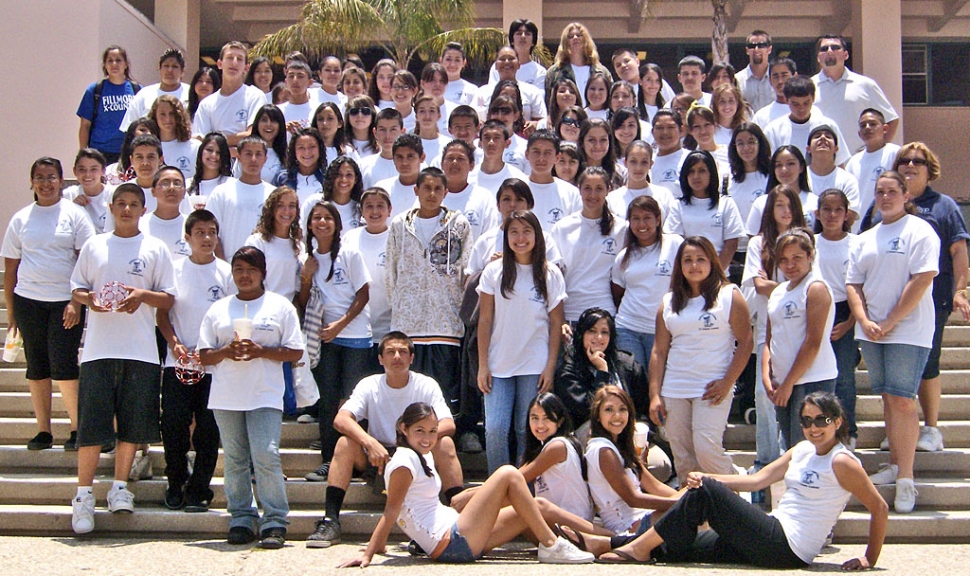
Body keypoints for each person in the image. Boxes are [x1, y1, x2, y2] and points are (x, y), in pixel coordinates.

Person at [585, 393, 888, 571]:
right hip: (772, 530)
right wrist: (710, 475)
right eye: (807, 421)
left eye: (822, 420)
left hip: (788, 547)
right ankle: (610, 543)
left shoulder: (842, 461)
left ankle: (635, 549)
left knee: (706, 493)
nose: (813, 428)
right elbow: (757, 480)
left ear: (837, 422)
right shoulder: (803, 449)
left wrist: (868, 559)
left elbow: (879, 506)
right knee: (690, 546)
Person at [339, 402, 594, 566]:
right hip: (451, 542)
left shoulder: (419, 455)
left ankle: (608, 541)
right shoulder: (404, 461)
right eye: (420, 431)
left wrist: (383, 547)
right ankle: (552, 546)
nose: (428, 438)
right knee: (508, 474)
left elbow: (405, 510)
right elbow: (392, 510)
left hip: (457, 537)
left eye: (432, 431)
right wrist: (369, 553)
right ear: (404, 429)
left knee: (534, 506)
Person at [68, 183, 176, 534]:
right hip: (99, 350)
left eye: (134, 204)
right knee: (92, 427)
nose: (127, 209)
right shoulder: (94, 245)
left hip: (141, 351)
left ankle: (119, 488)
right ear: (111, 208)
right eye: (122, 204)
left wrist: (143, 294)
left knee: (132, 423)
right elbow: (77, 288)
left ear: (143, 210)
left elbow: (168, 298)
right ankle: (83, 495)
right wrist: (89, 301)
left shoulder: (155, 248)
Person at [306, 332, 464, 548]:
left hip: (417, 457)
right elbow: (341, 419)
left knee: (445, 443)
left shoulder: (426, 385)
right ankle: (330, 520)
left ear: (412, 358)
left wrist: (411, 446)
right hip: (378, 459)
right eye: (390, 352)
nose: (397, 356)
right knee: (345, 443)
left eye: (402, 352)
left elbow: (448, 424)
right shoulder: (369, 384)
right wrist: (369, 443)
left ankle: (460, 514)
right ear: (380, 359)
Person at [863, 145, 970, 456]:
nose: (910, 165)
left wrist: (960, 292)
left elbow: (958, 252)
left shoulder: (944, 206)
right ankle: (897, 431)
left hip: (931, 300)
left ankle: (931, 428)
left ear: (929, 168)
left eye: (918, 161)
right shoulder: (880, 204)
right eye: (904, 161)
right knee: (889, 375)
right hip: (883, 303)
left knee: (928, 364)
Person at [198, 246, 304, 548]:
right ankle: (242, 517)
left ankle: (274, 520)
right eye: (239, 270)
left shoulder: (279, 306)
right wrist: (225, 352)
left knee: (266, 454)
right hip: (226, 395)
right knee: (234, 459)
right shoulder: (219, 309)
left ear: (263, 273)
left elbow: (295, 350)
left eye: (251, 269)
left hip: (264, 394)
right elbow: (204, 355)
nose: (245, 276)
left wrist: (262, 351)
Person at [847, 171, 940, 514]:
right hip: (872, 330)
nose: (885, 197)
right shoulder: (865, 238)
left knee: (902, 400)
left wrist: (890, 321)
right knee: (887, 397)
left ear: (905, 195)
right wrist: (865, 319)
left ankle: (906, 478)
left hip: (907, 330)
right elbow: (853, 284)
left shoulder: (920, 231)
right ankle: (896, 462)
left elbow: (922, 280)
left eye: (892, 191)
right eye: (880, 192)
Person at [2, 157, 96, 453]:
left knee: (65, 364)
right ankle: (43, 430)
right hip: (29, 301)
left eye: (52, 176)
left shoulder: (75, 215)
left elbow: (85, 262)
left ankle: (77, 428)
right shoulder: (21, 219)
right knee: (37, 366)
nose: (46, 183)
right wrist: (12, 312)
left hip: (64, 304)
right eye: (40, 177)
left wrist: (76, 302)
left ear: (61, 180)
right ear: (32, 182)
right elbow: (11, 269)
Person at [649, 236, 753, 482]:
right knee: (684, 458)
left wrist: (728, 382)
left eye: (700, 259)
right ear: (680, 266)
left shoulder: (729, 295)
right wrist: (655, 394)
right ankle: (697, 514)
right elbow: (659, 351)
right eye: (688, 260)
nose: (694, 265)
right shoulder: (668, 302)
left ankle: (736, 488)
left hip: (712, 387)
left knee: (706, 450)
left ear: (712, 262)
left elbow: (746, 342)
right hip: (675, 388)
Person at [156, 209, 232, 512]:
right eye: (200, 232)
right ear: (187, 237)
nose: (206, 238)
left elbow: (231, 317)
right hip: (178, 362)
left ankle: (200, 488)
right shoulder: (172, 270)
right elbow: (162, 312)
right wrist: (174, 343)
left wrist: (211, 351)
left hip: (213, 364)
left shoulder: (226, 273)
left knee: (208, 428)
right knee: (173, 421)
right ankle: (175, 480)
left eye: (212, 232)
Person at [478, 210, 566, 472]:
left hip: (534, 364)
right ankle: (498, 487)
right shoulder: (494, 271)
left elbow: (556, 323)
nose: (520, 238)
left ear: (537, 236)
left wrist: (550, 367)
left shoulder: (550, 273)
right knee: (495, 429)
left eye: (527, 231)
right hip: (498, 364)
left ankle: (524, 489)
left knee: (524, 428)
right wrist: (483, 365)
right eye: (514, 232)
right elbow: (484, 321)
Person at [385, 167, 472, 424]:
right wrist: (402, 306)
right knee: (411, 396)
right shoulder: (400, 225)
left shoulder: (458, 224)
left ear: (446, 192)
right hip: (407, 325)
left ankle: (445, 445)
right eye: (426, 188)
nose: (432, 194)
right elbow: (391, 272)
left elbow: (465, 270)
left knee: (442, 394)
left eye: (437, 189)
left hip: (445, 324)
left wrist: (457, 309)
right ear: (416, 190)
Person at [298, 201, 372, 482]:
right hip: (323, 341)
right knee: (328, 402)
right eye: (316, 217)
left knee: (353, 403)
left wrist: (341, 324)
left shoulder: (350, 253)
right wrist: (306, 276)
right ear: (309, 224)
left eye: (328, 217)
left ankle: (358, 460)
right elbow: (303, 303)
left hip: (354, 339)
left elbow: (363, 294)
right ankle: (329, 460)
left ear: (337, 223)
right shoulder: (308, 258)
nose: (322, 222)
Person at [744, 185, 807, 467]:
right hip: (766, 328)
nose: (784, 211)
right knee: (763, 393)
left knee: (801, 394)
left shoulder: (807, 241)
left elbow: (810, 285)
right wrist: (791, 286)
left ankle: (798, 456)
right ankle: (767, 459)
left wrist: (778, 286)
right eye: (779, 205)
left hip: (801, 329)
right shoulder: (759, 244)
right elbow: (758, 285)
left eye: (789, 205)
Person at [764, 229, 837, 448]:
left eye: (797, 258)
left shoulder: (815, 288)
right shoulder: (778, 292)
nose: (790, 265)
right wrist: (767, 377)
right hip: (782, 382)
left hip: (811, 380)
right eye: (784, 260)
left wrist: (788, 384)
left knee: (809, 446)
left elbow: (812, 343)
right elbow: (769, 338)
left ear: (810, 256)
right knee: (791, 448)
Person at [579, 386, 680, 536]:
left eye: (622, 409)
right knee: (697, 501)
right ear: (598, 416)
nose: (617, 416)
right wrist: (680, 505)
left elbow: (656, 487)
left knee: (701, 488)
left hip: (644, 517)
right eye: (609, 410)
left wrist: (687, 498)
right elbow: (633, 499)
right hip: (627, 527)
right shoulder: (602, 450)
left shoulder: (622, 447)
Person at [611, 196, 684, 370]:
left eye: (647, 218)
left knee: (657, 384)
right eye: (636, 218)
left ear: (658, 219)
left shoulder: (675, 244)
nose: (641, 224)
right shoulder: (624, 256)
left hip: (662, 330)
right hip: (627, 329)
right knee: (633, 385)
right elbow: (617, 292)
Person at [814, 189, 861, 447]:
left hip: (845, 312)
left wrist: (850, 322)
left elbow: (862, 286)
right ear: (817, 214)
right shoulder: (809, 242)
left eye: (837, 210)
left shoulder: (857, 243)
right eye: (826, 209)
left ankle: (847, 431)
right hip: (816, 311)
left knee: (843, 376)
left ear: (847, 214)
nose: (832, 215)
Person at [552, 167, 627, 323]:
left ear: (608, 189)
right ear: (579, 189)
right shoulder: (563, 228)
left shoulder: (621, 228)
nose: (592, 195)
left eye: (599, 188)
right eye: (587, 188)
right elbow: (554, 275)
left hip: (605, 313)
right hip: (570, 312)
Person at [812, 35, 899, 154]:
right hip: (822, 162)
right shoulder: (809, 87)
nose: (830, 51)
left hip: (858, 162)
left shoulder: (865, 84)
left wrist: (876, 151)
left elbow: (891, 120)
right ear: (818, 57)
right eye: (824, 49)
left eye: (835, 47)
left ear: (845, 55)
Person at [665, 151, 744, 271]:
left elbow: (731, 243)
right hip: (688, 273)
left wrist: (715, 273)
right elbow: (675, 244)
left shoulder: (726, 203)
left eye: (702, 171)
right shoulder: (678, 206)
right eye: (691, 171)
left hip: (719, 273)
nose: (696, 176)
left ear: (711, 173)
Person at [342, 187, 394, 365]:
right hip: (356, 331)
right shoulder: (350, 238)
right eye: (369, 206)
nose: (375, 211)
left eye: (380, 206)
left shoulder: (397, 238)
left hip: (387, 330)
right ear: (361, 211)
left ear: (390, 210)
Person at [206, 136, 275, 259]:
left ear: (265, 159)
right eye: (248, 154)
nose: (253, 159)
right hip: (228, 269)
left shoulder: (274, 195)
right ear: (238, 157)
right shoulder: (221, 192)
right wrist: (224, 266)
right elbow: (211, 232)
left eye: (258, 154)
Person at [762, 76, 849, 166]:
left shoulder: (828, 126)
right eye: (795, 104)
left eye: (806, 103)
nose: (801, 109)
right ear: (787, 100)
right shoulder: (773, 130)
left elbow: (839, 163)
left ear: (813, 98)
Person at [192, 42, 266, 146]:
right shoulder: (206, 104)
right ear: (219, 64)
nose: (234, 62)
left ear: (246, 68)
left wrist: (215, 141)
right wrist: (230, 150)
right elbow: (199, 143)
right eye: (230, 57)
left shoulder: (255, 96)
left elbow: (253, 135)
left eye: (239, 59)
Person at [77, 45, 140, 163]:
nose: (114, 64)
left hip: (128, 151)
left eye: (118, 60)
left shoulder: (137, 90)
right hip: (100, 151)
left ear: (126, 64)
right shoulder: (94, 90)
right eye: (110, 61)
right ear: (105, 65)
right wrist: (83, 153)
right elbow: (85, 125)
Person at [844, 109, 901, 233]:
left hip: (889, 225)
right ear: (859, 133)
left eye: (872, 124)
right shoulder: (853, 162)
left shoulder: (895, 153)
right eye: (863, 125)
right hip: (859, 228)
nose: (867, 128)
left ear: (885, 128)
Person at [439, 139, 501, 241]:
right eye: (450, 158)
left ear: (471, 165)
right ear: (442, 164)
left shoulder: (483, 198)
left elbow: (490, 237)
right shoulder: (430, 196)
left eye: (460, 159)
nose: (454, 162)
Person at [746, 146, 819, 233]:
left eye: (790, 164)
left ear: (801, 167)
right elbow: (753, 237)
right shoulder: (761, 203)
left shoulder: (815, 202)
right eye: (778, 165)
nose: (784, 169)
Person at [120, 48, 189, 132]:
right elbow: (129, 127)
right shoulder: (144, 94)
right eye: (166, 66)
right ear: (159, 69)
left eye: (175, 66)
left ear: (182, 71)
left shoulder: (190, 93)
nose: (169, 70)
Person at [606, 140, 675, 222]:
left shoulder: (664, 195)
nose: (638, 168)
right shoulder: (612, 198)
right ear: (625, 163)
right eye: (633, 162)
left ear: (651, 164)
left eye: (644, 162)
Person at [805, 125, 861, 224]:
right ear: (808, 148)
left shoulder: (848, 180)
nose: (823, 138)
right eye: (817, 136)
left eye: (828, 136)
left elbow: (850, 217)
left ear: (836, 148)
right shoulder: (799, 177)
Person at [545, 22, 613, 98]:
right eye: (570, 36)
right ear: (565, 42)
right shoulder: (555, 72)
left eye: (579, 35)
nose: (575, 38)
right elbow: (549, 101)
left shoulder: (602, 72)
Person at [375, 133, 426, 221]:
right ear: (393, 159)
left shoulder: (431, 190)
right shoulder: (382, 189)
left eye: (410, 157)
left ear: (422, 158)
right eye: (399, 157)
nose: (404, 163)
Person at [149, 95, 200, 181]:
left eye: (172, 114)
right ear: (155, 117)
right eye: (162, 114)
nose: (167, 119)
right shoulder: (148, 148)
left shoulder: (195, 147)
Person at [489, 19, 547, 90]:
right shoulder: (500, 66)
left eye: (527, 34)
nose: (523, 36)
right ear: (512, 40)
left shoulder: (540, 72)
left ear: (533, 42)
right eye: (519, 33)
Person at [64, 148, 112, 233]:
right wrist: (73, 209)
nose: (87, 174)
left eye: (93, 169)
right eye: (82, 169)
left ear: (103, 171)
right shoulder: (69, 195)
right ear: (74, 171)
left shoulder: (113, 194)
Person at [186, 132, 234, 207]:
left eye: (219, 152)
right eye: (209, 150)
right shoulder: (186, 184)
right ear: (201, 151)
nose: (214, 155)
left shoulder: (232, 185)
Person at [360, 108, 404, 188]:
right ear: (375, 132)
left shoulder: (415, 166)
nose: (387, 136)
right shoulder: (363, 165)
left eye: (393, 129)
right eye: (382, 130)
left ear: (402, 132)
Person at [649, 110, 689, 198]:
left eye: (670, 127)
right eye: (659, 128)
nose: (665, 132)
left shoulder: (690, 160)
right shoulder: (646, 161)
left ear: (681, 130)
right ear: (652, 132)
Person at [751, 57, 797, 128]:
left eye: (784, 75)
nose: (780, 81)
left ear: (795, 77)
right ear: (770, 80)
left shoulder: (809, 111)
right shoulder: (761, 116)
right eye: (776, 77)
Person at [246, 104, 287, 183]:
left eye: (274, 121)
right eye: (264, 120)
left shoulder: (287, 156)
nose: (269, 124)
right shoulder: (246, 151)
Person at [579, 118, 625, 189]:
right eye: (591, 140)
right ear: (582, 142)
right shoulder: (573, 171)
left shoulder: (621, 173)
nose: (598, 146)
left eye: (603, 140)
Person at [735, 30, 775, 112]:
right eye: (752, 46)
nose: (756, 49)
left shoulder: (777, 79)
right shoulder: (737, 80)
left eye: (761, 45)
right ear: (747, 50)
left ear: (769, 49)